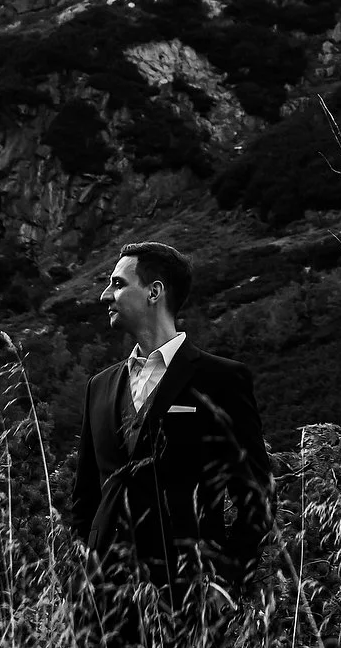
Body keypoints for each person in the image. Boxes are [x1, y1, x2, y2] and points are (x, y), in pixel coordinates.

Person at [69, 241, 272, 644]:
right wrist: (89, 572)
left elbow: (256, 495)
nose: (104, 295)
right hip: (104, 604)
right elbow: (85, 496)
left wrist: (224, 584)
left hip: (189, 600)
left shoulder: (220, 379)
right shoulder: (100, 386)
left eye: (117, 284)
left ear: (154, 292)